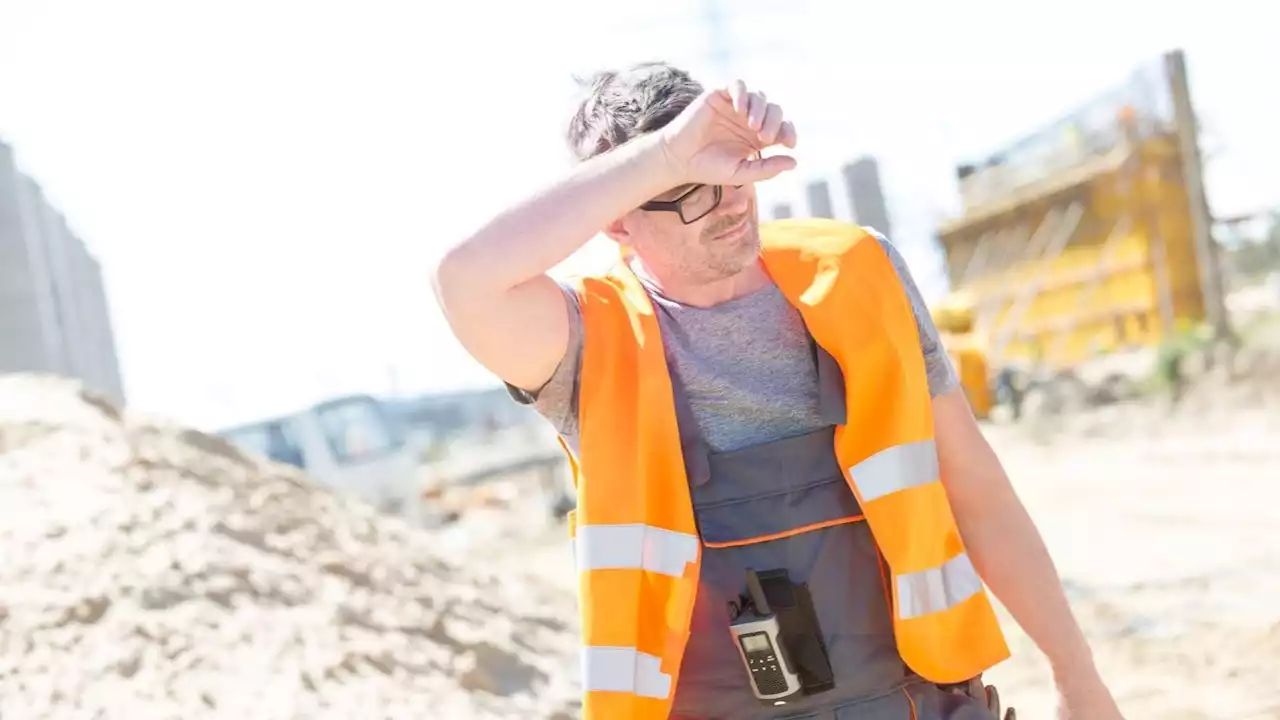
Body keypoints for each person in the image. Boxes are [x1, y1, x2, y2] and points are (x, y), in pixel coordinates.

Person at [430, 62, 1123, 720]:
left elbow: (976, 489)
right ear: (617, 220)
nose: (726, 200)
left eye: (731, 168)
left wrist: (1077, 675)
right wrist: (667, 155)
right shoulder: (585, 339)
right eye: (687, 187)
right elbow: (463, 280)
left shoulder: (858, 274)